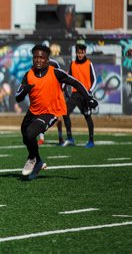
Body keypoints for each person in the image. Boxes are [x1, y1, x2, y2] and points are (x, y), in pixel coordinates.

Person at [15, 45, 97, 179]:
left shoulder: (55, 72)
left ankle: (32, 158)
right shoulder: (28, 75)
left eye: (42, 57)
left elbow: (76, 83)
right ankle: (38, 162)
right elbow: (18, 97)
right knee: (25, 135)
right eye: (36, 57)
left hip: (50, 112)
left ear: (47, 60)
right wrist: (24, 90)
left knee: (30, 134)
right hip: (33, 112)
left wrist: (89, 97)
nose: (38, 60)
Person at [62, 43, 97, 148]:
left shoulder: (89, 63)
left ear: (85, 53)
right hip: (74, 94)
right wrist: (63, 87)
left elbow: (94, 79)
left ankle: (91, 141)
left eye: (82, 53)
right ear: (76, 53)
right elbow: (68, 77)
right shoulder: (73, 64)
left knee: (87, 116)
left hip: (85, 95)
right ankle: (70, 138)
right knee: (65, 113)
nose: (80, 55)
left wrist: (89, 92)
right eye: (78, 53)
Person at [37, 57, 66, 146]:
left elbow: (62, 77)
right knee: (40, 116)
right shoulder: (37, 65)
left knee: (59, 118)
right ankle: (41, 138)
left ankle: (60, 137)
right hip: (44, 94)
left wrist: (61, 90)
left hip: (55, 94)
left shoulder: (54, 63)